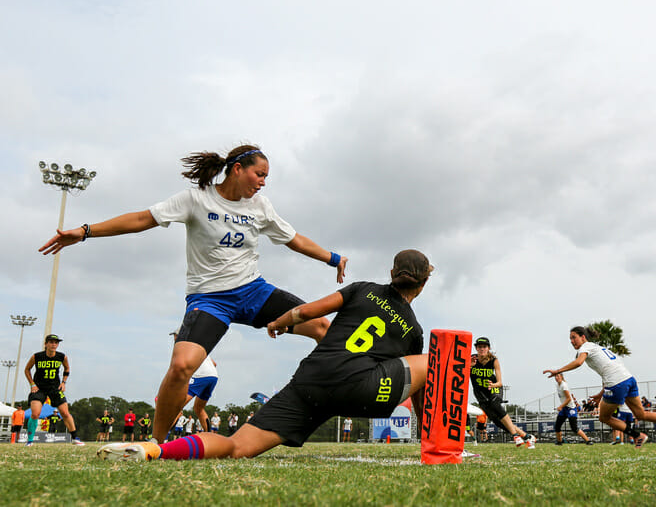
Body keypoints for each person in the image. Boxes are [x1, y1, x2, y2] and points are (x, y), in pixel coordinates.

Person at [39, 145, 348, 444]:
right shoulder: (194, 200)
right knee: (181, 367)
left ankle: (320, 397)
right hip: (211, 300)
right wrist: (85, 231)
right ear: (237, 169)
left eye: (267, 177)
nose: (264, 182)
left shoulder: (261, 206)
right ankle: (155, 443)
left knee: (322, 327)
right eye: (260, 174)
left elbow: (295, 239)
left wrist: (333, 258)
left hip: (255, 292)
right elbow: (139, 220)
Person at [97, 249, 431, 462]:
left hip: (310, 381)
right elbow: (419, 390)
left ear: (391, 273)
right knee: (434, 362)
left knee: (236, 446)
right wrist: (428, 433)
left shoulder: (362, 289)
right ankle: (440, 442)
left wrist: (281, 322)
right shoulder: (413, 329)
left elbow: (308, 311)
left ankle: (155, 449)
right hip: (360, 392)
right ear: (424, 282)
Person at [543, 326, 656, 448]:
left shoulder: (586, 347)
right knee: (640, 414)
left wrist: (558, 370)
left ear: (583, 337)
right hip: (628, 379)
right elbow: (609, 370)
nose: (571, 341)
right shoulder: (598, 348)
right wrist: (601, 393)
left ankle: (637, 435)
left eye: (574, 337)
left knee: (604, 417)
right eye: (570, 339)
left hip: (617, 383)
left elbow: (578, 363)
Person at [470, 337, 535, 448]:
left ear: (488, 348)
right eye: (479, 347)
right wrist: (468, 366)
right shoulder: (471, 360)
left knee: (495, 405)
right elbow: (460, 374)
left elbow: (500, 382)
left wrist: (493, 385)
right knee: (497, 421)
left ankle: (515, 436)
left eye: (484, 347)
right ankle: (527, 436)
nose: (482, 349)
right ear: (476, 348)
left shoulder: (494, 360)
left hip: (494, 388)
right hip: (480, 393)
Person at [23, 334, 84, 446]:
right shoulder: (37, 356)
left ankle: (75, 438)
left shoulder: (62, 357)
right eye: (51, 342)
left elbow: (67, 368)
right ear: (46, 344)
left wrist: (63, 382)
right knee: (35, 413)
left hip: (54, 388)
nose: (54, 344)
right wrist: (32, 384)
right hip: (39, 389)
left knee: (65, 412)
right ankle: (30, 440)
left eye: (56, 342)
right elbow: (27, 369)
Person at [170, 330, 218, 433]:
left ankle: (162, 438)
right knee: (199, 408)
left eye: (175, 336)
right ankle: (208, 436)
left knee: (177, 406)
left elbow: (180, 367)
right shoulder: (198, 346)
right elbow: (214, 363)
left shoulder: (183, 346)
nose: (174, 338)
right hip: (213, 376)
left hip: (200, 377)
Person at [552, 373, 592, 446]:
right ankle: (559, 442)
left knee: (574, 428)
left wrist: (560, 406)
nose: (556, 377)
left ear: (561, 377)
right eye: (555, 376)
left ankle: (588, 441)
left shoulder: (564, 385)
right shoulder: (557, 385)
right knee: (557, 426)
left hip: (570, 408)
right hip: (564, 408)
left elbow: (569, 399)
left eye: (558, 376)